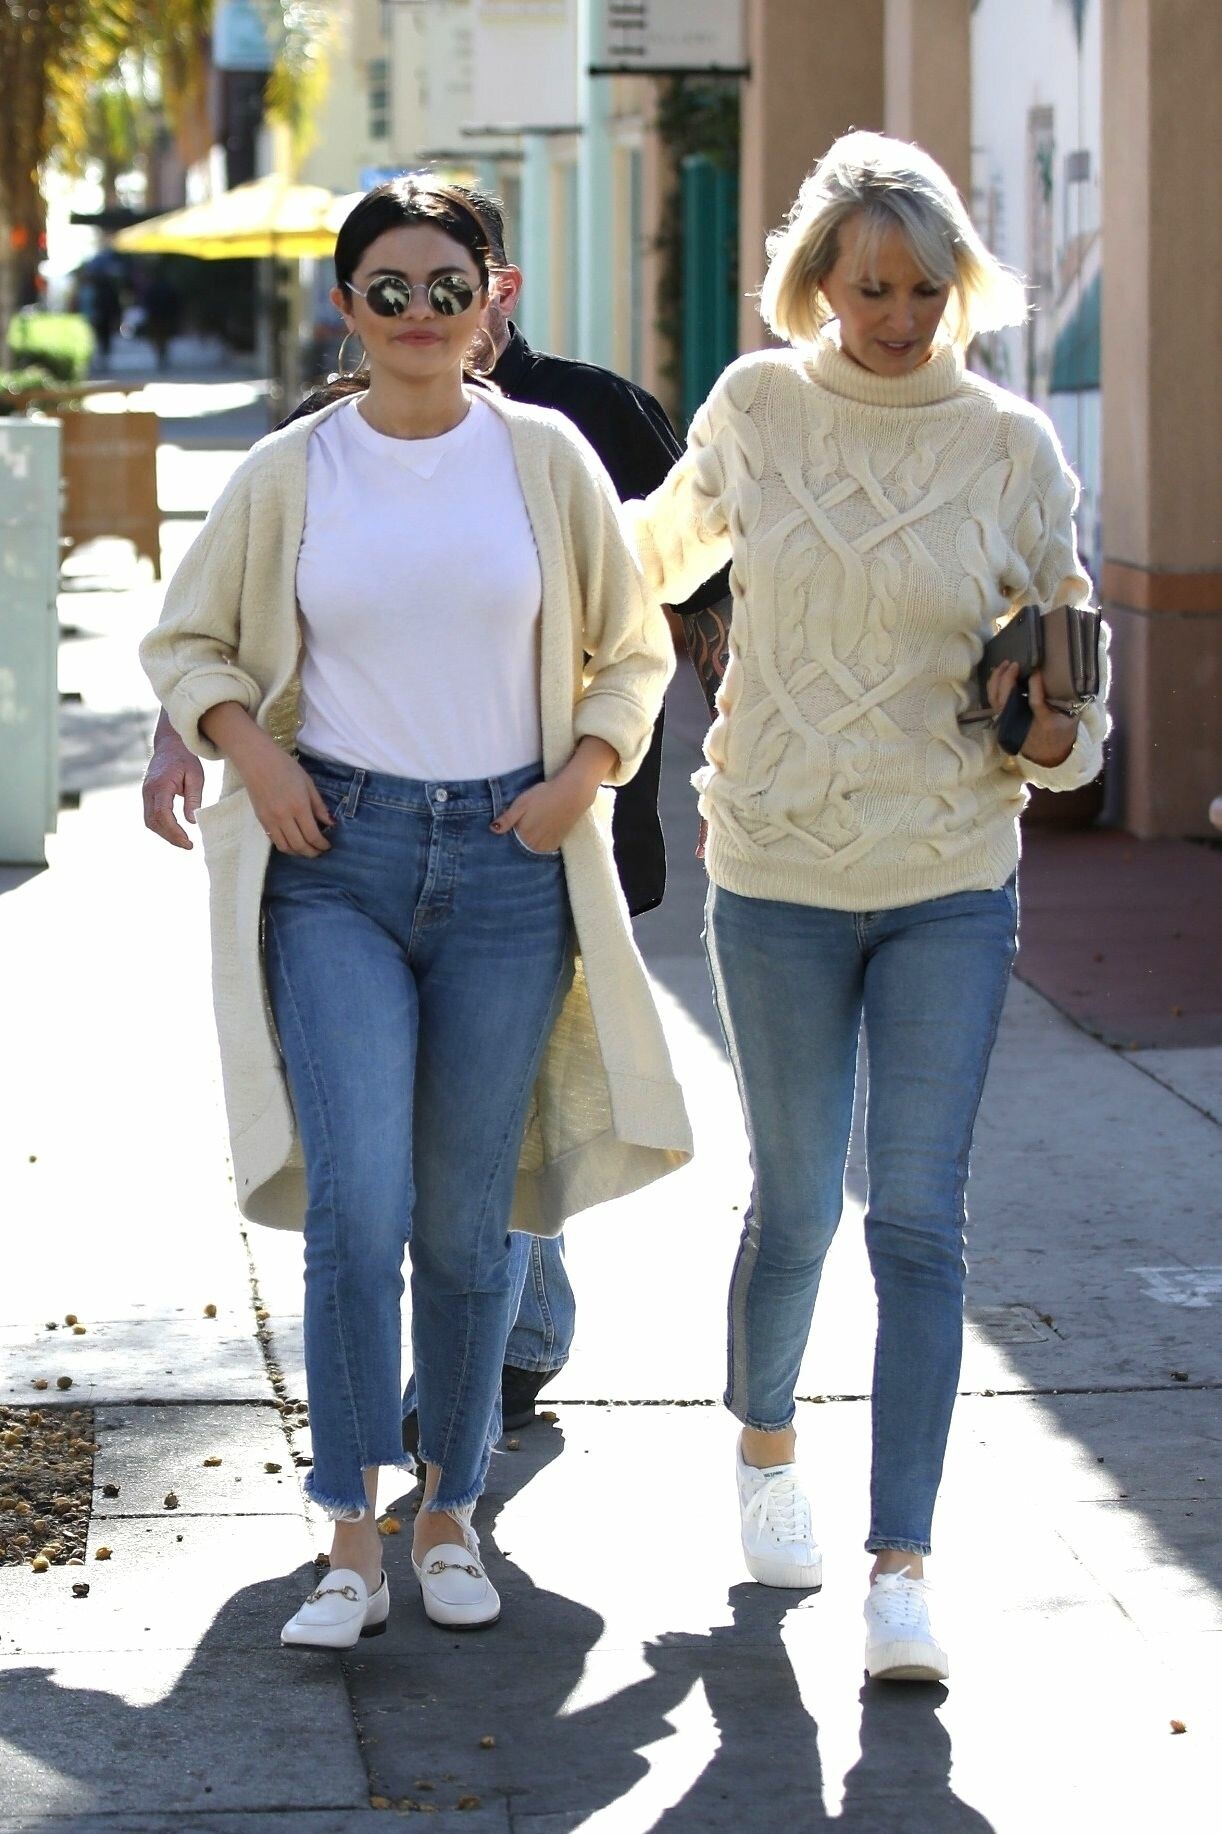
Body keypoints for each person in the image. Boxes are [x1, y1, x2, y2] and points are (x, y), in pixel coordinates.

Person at [141, 177, 691, 1651]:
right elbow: (186, 637)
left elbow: (632, 648)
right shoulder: (293, 470)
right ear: (348, 307)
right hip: (338, 860)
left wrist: (581, 775)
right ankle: (346, 1533)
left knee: (467, 1217)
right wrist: (252, 755)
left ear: (492, 298)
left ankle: (448, 1510)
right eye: (388, 290)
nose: (419, 315)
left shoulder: (547, 457)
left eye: (449, 287)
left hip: (510, 867)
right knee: (358, 1200)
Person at [628, 131, 1110, 1682]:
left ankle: (902, 1565)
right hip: (772, 867)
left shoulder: (1012, 446)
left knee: (914, 1214)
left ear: (956, 286)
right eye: (869, 287)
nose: (897, 316)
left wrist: (1053, 729)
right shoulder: (758, 408)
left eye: (922, 288)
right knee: (793, 1202)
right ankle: (765, 1448)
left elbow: (1075, 705)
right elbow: (643, 559)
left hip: (948, 876)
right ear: (818, 287)